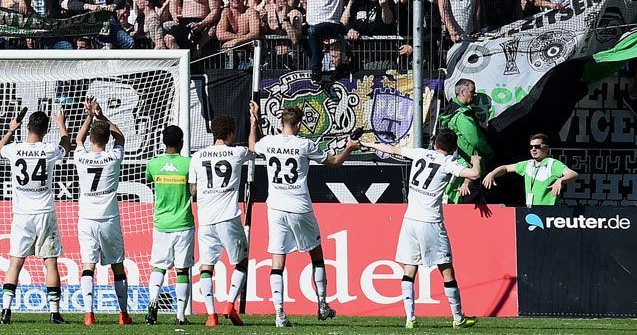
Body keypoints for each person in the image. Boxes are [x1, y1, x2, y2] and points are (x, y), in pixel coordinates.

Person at [361, 130, 481, 329]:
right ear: (452, 149)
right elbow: (475, 174)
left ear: (435, 144)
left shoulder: (419, 153)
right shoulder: (448, 163)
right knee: (446, 270)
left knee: (409, 269)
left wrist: (371, 145)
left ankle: (410, 318)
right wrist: (476, 160)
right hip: (430, 222)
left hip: (409, 221)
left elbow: (392, 149)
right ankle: (458, 318)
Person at [251, 101, 356, 327]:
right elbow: (334, 162)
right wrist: (348, 148)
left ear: (281, 123)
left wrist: (254, 121)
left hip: (276, 207)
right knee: (316, 255)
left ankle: (279, 314)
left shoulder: (269, 142)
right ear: (298, 125)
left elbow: (253, 145)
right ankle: (322, 305)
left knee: (277, 262)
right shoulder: (304, 145)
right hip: (299, 206)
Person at [0, 108, 68, 324]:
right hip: (45, 212)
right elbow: (66, 146)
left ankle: (6, 311)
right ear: (45, 130)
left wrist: (11, 130)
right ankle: (54, 313)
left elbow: (0, 148)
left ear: (27, 127)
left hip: (22, 215)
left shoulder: (14, 149)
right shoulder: (49, 149)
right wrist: (61, 124)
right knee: (50, 263)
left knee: (15, 263)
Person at [73, 99, 131, 327]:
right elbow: (121, 138)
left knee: (88, 266)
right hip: (109, 219)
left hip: (87, 219)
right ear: (107, 139)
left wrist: (89, 116)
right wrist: (102, 116)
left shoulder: (81, 156)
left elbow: (78, 139)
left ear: (91, 140)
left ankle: (88, 314)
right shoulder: (114, 156)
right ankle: (123, 314)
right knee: (117, 266)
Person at [189, 114, 251, 327]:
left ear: (213, 132)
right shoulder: (237, 152)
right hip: (228, 217)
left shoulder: (197, 157)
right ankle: (230, 305)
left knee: (206, 266)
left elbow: (193, 189)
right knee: (241, 262)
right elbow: (254, 148)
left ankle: (211, 315)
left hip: (205, 218)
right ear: (231, 133)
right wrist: (254, 122)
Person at [145, 126, 194, 326]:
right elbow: (193, 190)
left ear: (163, 142)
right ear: (181, 142)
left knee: (159, 267)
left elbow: (150, 180)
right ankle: (181, 316)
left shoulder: (154, 164)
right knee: (182, 270)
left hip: (161, 224)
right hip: (183, 223)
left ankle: (152, 304)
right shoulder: (189, 164)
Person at [482, 134, 580, 206]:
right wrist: (492, 173)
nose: (533, 149)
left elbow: (573, 174)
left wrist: (560, 180)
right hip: (530, 210)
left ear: (546, 148)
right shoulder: (528, 164)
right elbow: (505, 168)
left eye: (537, 147)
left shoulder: (552, 164)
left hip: (549, 213)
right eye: (531, 147)